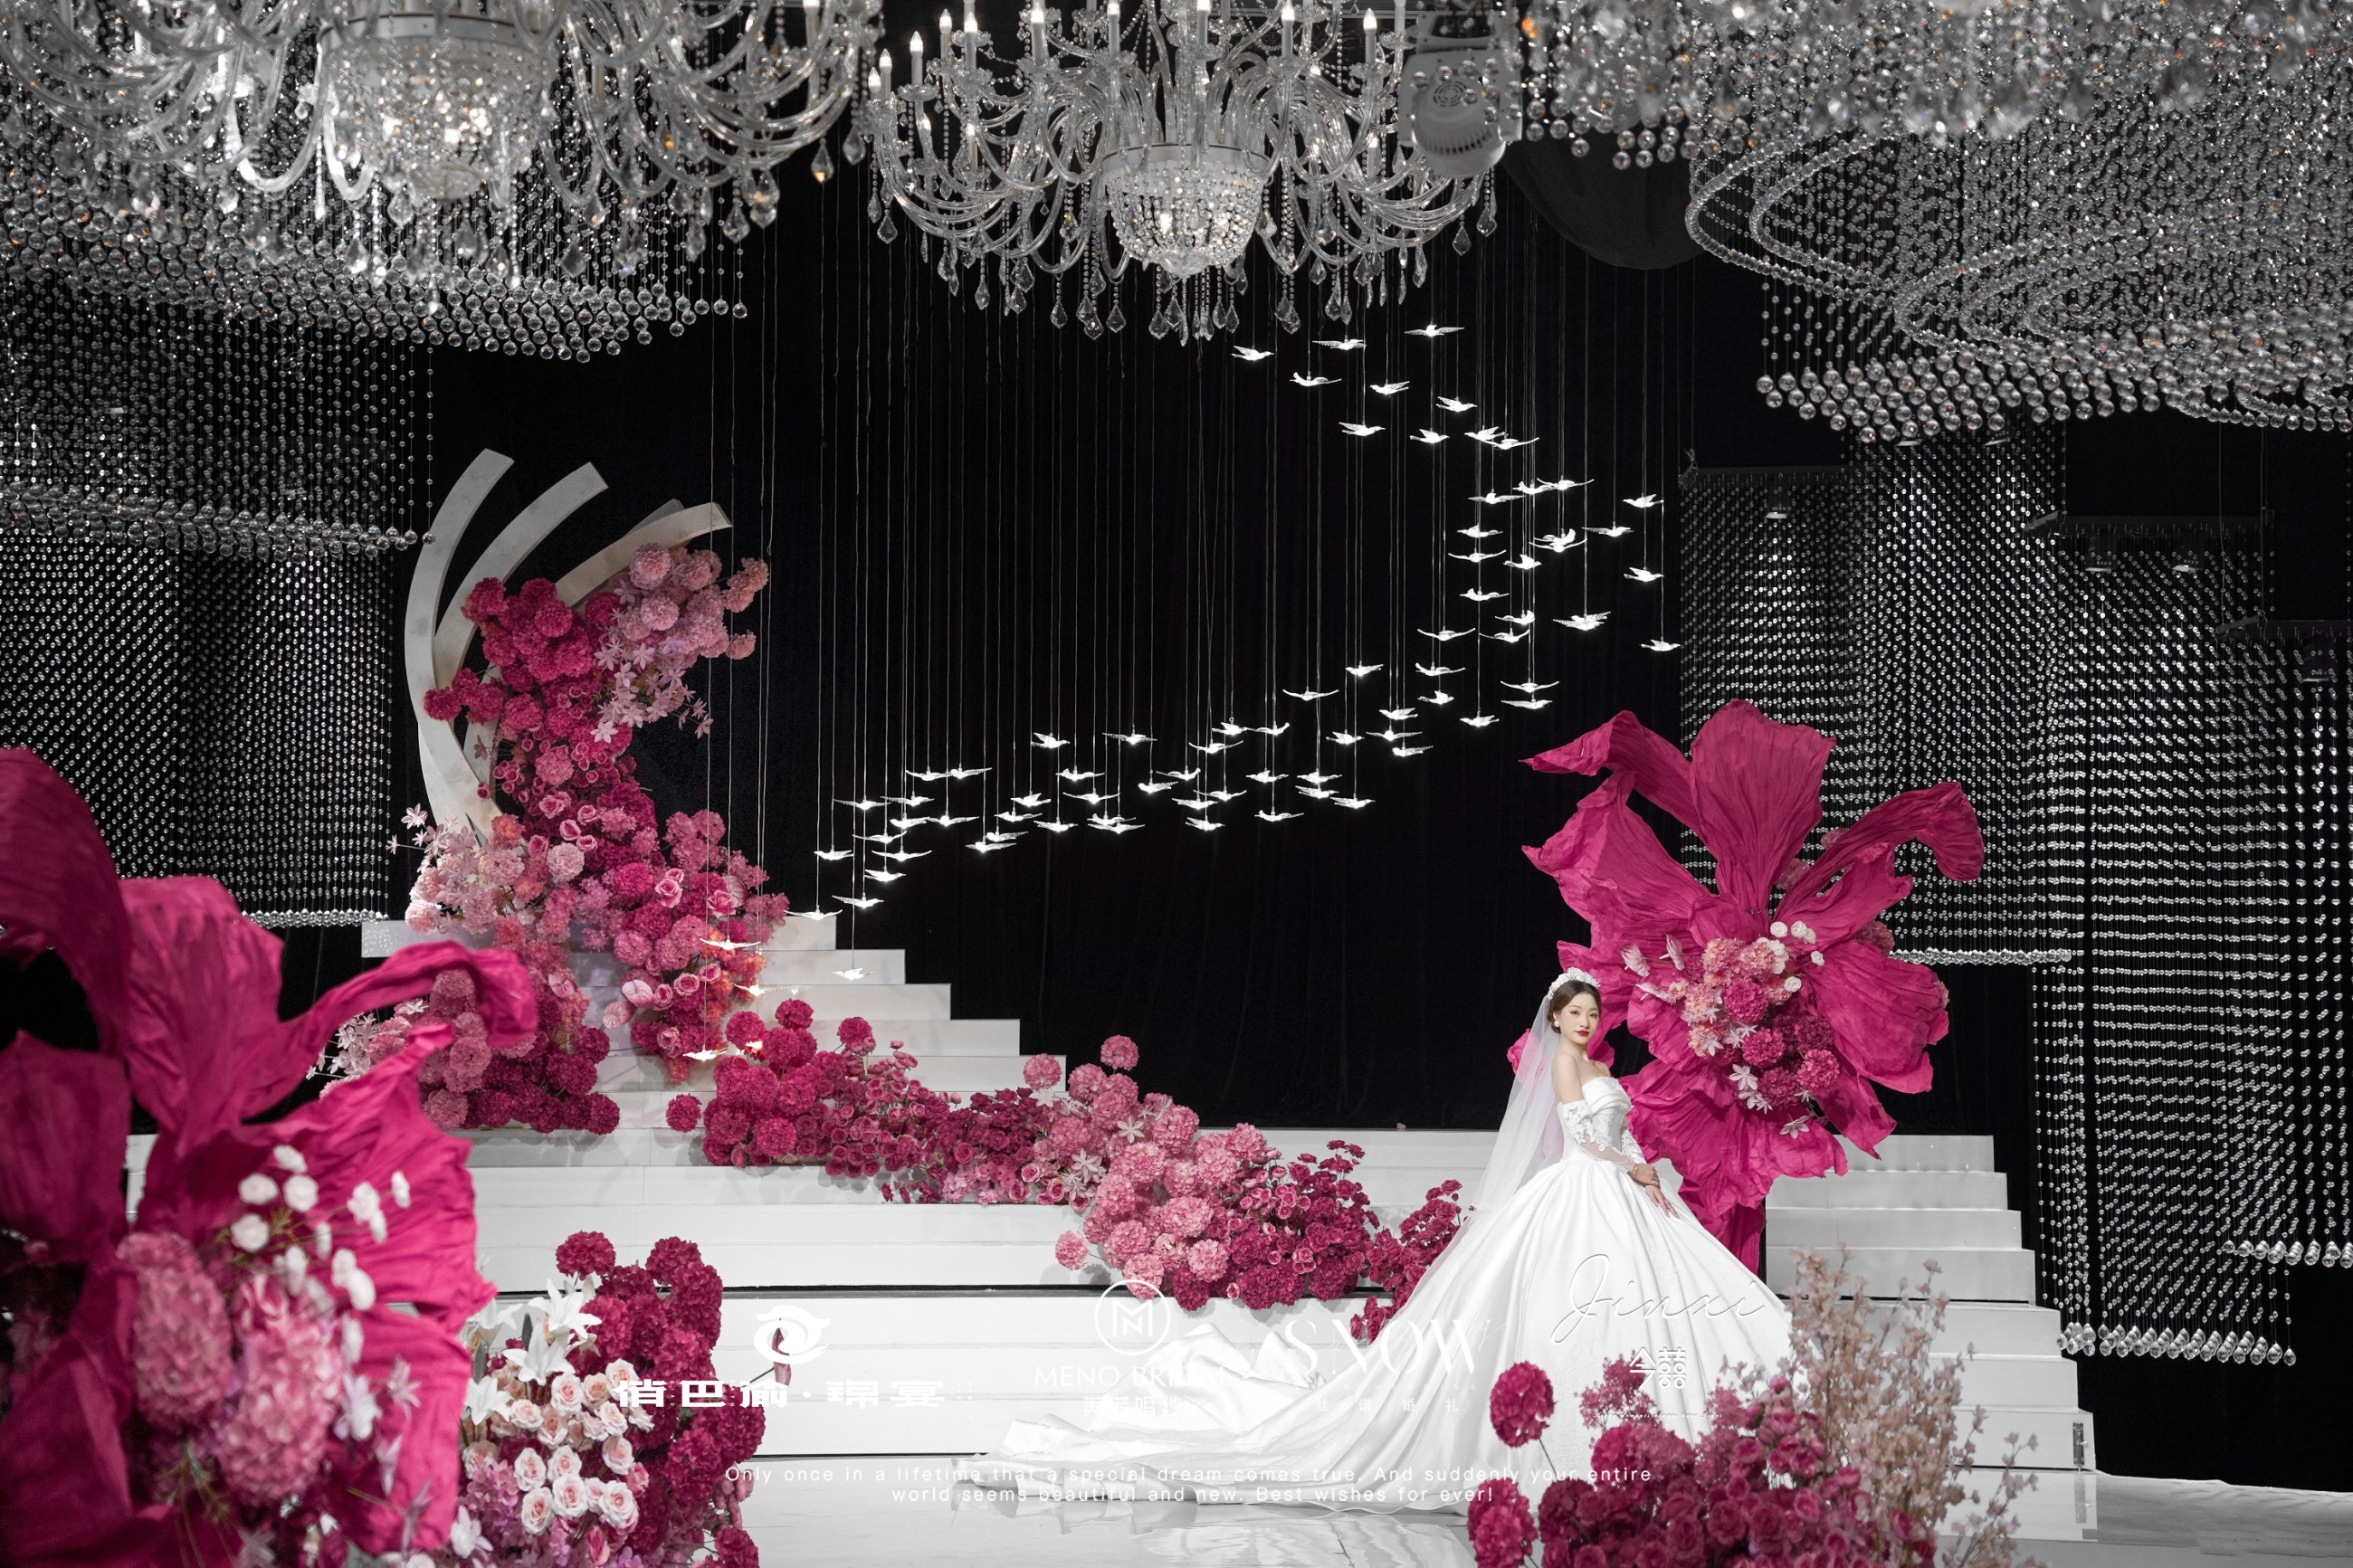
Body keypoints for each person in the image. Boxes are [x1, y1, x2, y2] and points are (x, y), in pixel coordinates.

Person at [957, 969, 1793, 1512]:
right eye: (1574, 1014)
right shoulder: (1571, 1068)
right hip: (1587, 1188)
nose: (1584, 1023)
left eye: (1591, 1014)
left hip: (1623, 1187)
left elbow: (1618, 1132)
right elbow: (1581, 1135)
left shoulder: (1602, 1067)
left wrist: (1644, 1171)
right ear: (1556, 1018)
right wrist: (1628, 1166)